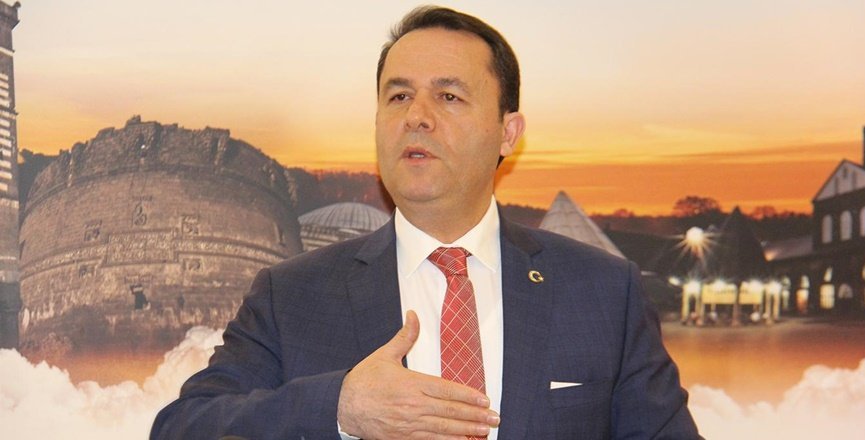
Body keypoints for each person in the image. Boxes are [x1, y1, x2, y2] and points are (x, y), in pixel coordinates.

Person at [151, 6, 701, 440]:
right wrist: (339, 408)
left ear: (508, 133)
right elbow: (183, 428)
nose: (417, 115)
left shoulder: (604, 292)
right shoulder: (291, 295)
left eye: (448, 95)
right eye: (399, 96)